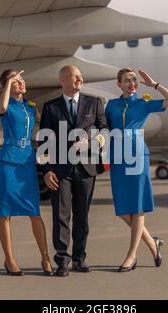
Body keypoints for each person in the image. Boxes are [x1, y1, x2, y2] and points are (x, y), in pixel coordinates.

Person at [105, 68, 168, 272]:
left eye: (134, 80)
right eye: (126, 80)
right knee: (122, 209)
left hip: (138, 156)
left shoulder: (143, 103)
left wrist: (154, 85)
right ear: (119, 84)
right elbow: (104, 129)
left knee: (137, 207)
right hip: (118, 157)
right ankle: (153, 244)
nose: (131, 83)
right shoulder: (111, 105)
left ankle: (131, 255)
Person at [39, 65, 108, 277]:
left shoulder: (94, 103)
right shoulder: (51, 107)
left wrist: (92, 142)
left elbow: (105, 130)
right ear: (62, 80)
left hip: (86, 168)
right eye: (75, 75)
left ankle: (79, 258)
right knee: (61, 216)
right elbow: (44, 141)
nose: (80, 78)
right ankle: (62, 260)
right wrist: (46, 170)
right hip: (60, 170)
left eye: (80, 75)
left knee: (82, 216)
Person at [0, 69, 54, 276]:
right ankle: (10, 261)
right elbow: (2, 107)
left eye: (21, 80)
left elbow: (43, 127)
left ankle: (46, 258)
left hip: (27, 161)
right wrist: (9, 83)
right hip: (9, 161)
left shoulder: (30, 107)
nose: (21, 83)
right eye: (16, 81)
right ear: (7, 85)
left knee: (34, 212)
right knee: (5, 214)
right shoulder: (4, 104)